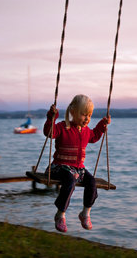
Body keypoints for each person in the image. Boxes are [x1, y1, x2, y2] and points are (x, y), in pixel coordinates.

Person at [43, 94, 111, 233]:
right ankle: (60, 214)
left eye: (90, 115)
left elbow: (94, 137)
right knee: (69, 181)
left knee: (91, 182)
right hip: (60, 167)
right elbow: (49, 132)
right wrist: (52, 117)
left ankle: (85, 213)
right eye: (84, 114)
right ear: (73, 112)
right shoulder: (63, 127)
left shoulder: (86, 131)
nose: (87, 118)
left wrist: (101, 125)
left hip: (78, 169)